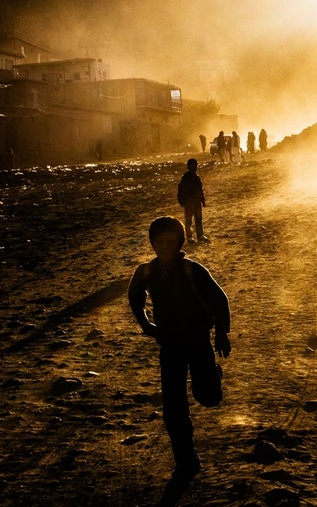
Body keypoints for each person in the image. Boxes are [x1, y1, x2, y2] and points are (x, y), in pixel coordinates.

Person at [127, 216, 231, 480]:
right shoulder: (146, 272)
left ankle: (212, 378)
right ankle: (186, 458)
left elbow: (220, 300)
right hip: (170, 345)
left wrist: (221, 334)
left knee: (208, 397)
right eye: (158, 241)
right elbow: (134, 297)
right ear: (152, 243)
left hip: (198, 341)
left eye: (169, 241)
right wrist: (145, 324)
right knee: (174, 405)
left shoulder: (193, 270)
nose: (164, 246)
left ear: (179, 242)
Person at [177, 158, 207, 243]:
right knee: (189, 220)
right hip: (190, 202)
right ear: (188, 167)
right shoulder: (186, 178)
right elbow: (181, 190)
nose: (195, 167)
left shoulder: (196, 177)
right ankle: (190, 237)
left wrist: (202, 200)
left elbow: (200, 190)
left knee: (198, 219)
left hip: (197, 202)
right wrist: (184, 201)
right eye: (193, 166)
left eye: (196, 165)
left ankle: (199, 235)